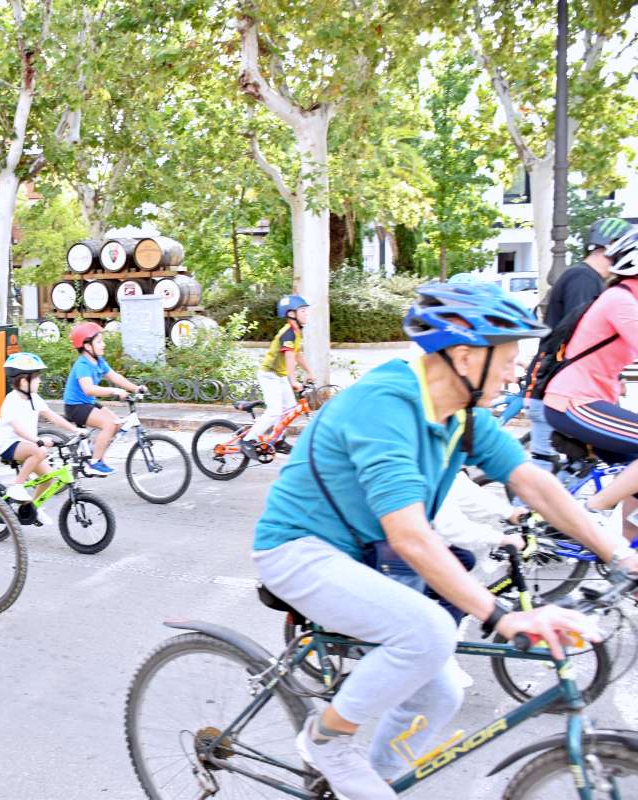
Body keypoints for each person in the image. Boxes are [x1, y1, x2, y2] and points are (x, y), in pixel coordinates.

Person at [252, 281, 637, 796]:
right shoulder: (385, 405)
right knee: (431, 632)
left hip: (364, 560)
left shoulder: (464, 419)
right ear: (463, 355)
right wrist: (503, 615)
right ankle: (326, 740)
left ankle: (368, 782)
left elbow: (534, 483)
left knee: (442, 692)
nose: (514, 371)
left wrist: (618, 554)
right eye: (506, 359)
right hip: (299, 550)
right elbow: (409, 535)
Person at [543, 226, 638, 539]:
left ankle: (630, 573)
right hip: (574, 402)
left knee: (634, 484)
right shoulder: (620, 300)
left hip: (590, 402)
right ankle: (588, 514)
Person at [527, 217, 632, 464]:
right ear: (612, 246)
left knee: (569, 468)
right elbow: (581, 338)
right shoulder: (584, 280)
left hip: (562, 387)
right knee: (545, 466)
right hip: (564, 390)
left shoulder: (589, 279)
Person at [0, 352, 79, 525]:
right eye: (36, 377)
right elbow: (18, 429)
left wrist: (76, 430)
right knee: (39, 450)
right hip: (9, 444)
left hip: (26, 444)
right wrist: (37, 440)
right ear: (24, 381)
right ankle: (16, 486)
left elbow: (53, 416)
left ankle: (33, 507)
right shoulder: (11, 400)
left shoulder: (35, 398)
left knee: (49, 478)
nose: (40, 381)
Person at [61, 322, 145, 476]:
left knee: (118, 425)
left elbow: (116, 377)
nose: (103, 345)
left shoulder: (99, 362)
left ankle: (94, 452)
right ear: (87, 346)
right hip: (75, 406)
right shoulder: (82, 364)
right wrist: (114, 391)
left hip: (88, 403)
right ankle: (94, 463)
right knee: (109, 424)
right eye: (99, 342)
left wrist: (135, 388)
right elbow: (89, 389)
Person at [243, 294, 315, 458]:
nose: (306, 313)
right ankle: (248, 440)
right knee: (275, 410)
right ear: (291, 314)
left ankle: (277, 440)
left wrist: (310, 372)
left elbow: (297, 355)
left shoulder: (296, 333)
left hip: (279, 376)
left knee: (289, 409)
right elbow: (289, 356)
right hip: (269, 375)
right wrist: (293, 380)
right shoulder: (288, 333)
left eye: (306, 310)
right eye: (302, 310)